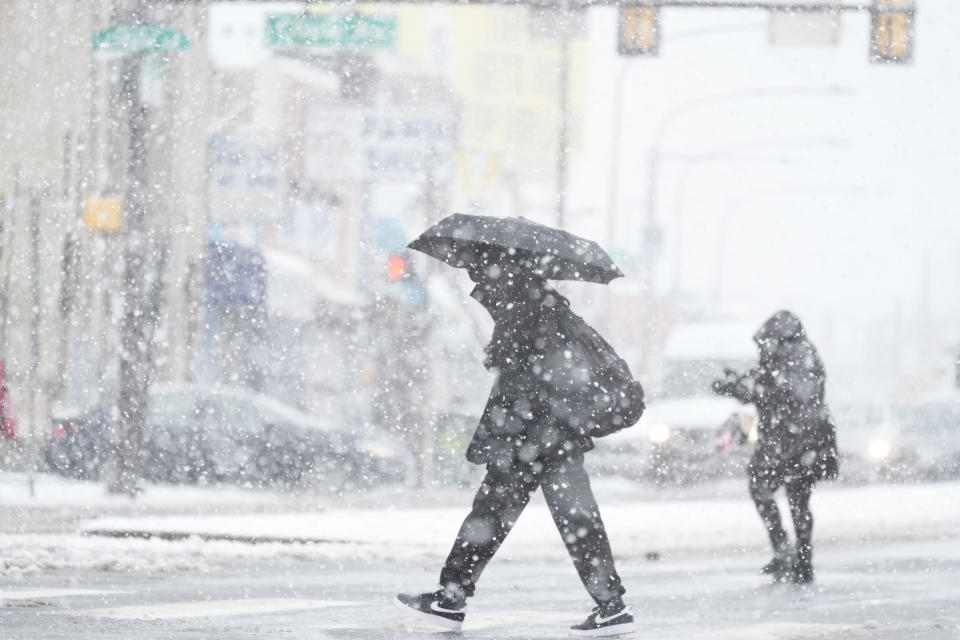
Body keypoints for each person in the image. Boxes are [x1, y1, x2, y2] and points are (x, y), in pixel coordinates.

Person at [396, 257, 644, 637]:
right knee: (570, 519)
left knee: (494, 516)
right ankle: (610, 605)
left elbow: (532, 375)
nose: (480, 285)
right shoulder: (544, 310)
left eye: (483, 277)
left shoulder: (530, 312)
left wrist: (501, 356)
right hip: (547, 436)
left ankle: (451, 599)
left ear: (506, 279)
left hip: (533, 438)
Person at [712, 310, 838, 585]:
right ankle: (794, 555)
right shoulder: (789, 356)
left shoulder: (799, 357)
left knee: (781, 494)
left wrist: (747, 390)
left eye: (767, 342)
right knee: (792, 497)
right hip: (792, 441)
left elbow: (789, 394)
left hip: (794, 441)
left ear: (780, 338)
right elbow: (766, 387)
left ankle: (793, 555)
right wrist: (738, 386)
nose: (764, 348)